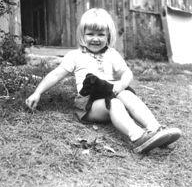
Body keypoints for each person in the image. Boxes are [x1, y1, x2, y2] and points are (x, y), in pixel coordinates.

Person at [25, 8, 181, 153]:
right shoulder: (75, 56)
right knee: (114, 103)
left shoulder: (112, 54)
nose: (95, 39)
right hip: (90, 104)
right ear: (82, 35)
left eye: (101, 35)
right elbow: (55, 74)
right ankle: (138, 137)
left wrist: (121, 85)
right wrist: (37, 92)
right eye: (90, 34)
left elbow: (127, 73)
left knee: (126, 95)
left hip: (110, 92)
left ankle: (155, 129)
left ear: (108, 36)